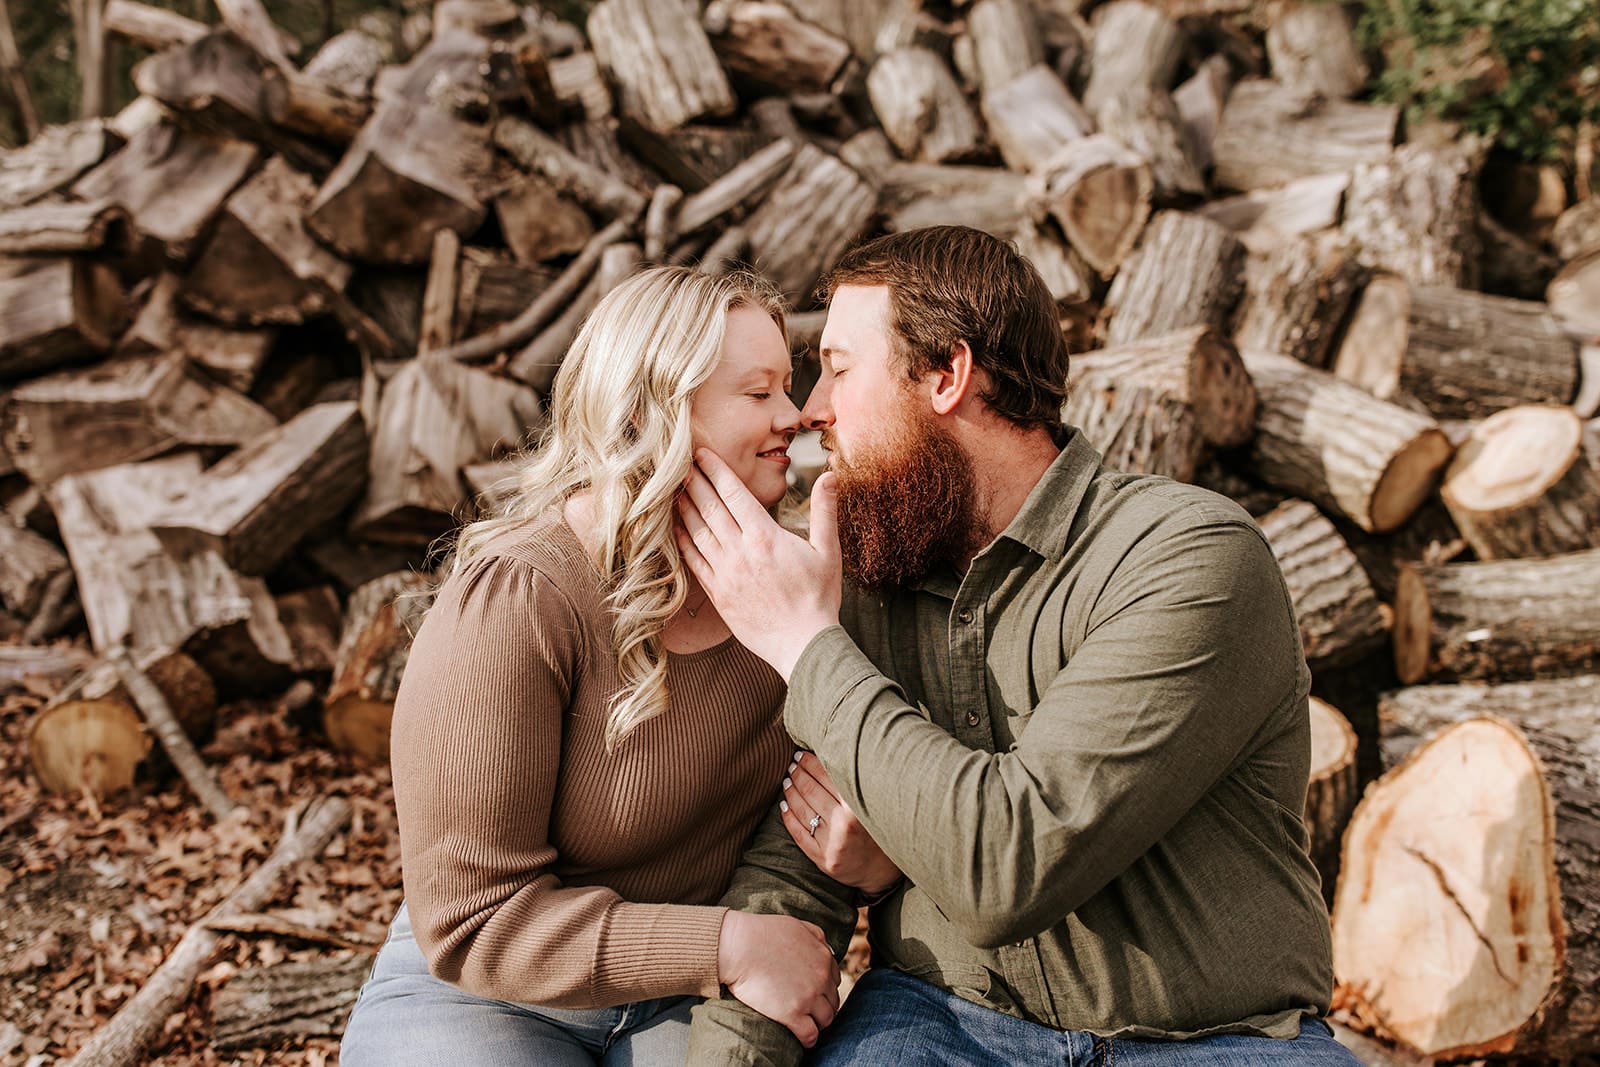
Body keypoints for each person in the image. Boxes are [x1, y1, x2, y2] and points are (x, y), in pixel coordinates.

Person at [675, 226, 1362, 1065]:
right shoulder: (866, 566)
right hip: (940, 1022)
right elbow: (798, 859)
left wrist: (805, 644)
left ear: (947, 375)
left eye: (840, 368)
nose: (812, 409)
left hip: (1212, 1042)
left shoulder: (1189, 556)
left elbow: (1011, 863)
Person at [340, 266, 848, 1067]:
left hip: (696, 994)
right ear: (653, 410)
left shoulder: (797, 583)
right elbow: (472, 919)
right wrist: (726, 943)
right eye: (759, 394)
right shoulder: (521, 593)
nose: (796, 417)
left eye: (790, 387)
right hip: (492, 994)